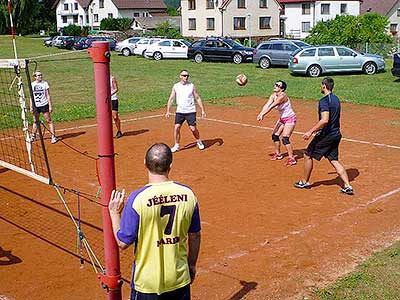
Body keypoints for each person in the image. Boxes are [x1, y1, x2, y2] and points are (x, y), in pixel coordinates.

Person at [108, 143, 201, 300]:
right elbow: (195, 236)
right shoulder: (189, 195)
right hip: (179, 279)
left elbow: (123, 242)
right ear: (170, 165)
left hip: (147, 284)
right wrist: (191, 266)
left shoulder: (137, 199)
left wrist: (114, 213)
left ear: (145, 162)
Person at [294, 77, 354, 195]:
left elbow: (325, 120)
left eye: (321, 85)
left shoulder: (324, 101)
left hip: (327, 135)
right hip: (336, 134)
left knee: (307, 154)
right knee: (334, 160)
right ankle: (347, 185)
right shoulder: (336, 99)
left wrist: (310, 132)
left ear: (323, 86)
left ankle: (304, 181)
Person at [257, 80, 297, 166]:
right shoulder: (273, 95)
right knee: (275, 135)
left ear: (282, 89)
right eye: (275, 84)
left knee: (285, 138)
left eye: (277, 85)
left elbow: (272, 106)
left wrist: (263, 114)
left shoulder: (282, 97)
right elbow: (267, 105)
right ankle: (278, 154)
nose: (275, 86)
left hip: (290, 118)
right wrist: (261, 113)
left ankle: (292, 158)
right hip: (282, 119)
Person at [166, 70, 206, 153]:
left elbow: (197, 98)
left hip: (190, 111)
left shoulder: (191, 86)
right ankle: (176, 145)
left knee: (193, 129)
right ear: (180, 76)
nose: (186, 77)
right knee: (176, 127)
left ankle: (198, 141)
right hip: (180, 111)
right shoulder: (176, 86)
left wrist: (202, 110)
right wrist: (168, 110)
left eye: (187, 75)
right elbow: (171, 98)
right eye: (184, 75)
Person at [30, 71, 59, 144]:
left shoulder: (45, 84)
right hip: (36, 105)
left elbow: (48, 95)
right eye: (38, 75)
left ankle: (53, 136)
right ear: (35, 77)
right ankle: (33, 136)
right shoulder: (32, 84)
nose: (40, 76)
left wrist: (50, 106)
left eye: (41, 75)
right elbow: (31, 96)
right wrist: (31, 106)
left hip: (44, 104)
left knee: (49, 120)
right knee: (35, 121)